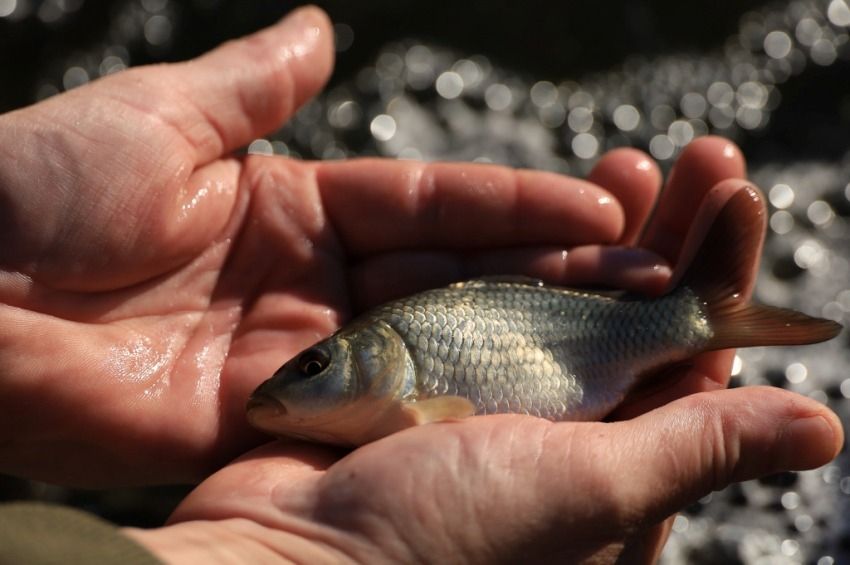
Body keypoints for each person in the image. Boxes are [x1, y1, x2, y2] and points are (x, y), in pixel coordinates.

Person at [0, 6, 842, 563]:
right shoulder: (384, 387)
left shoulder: (405, 363)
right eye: (312, 367)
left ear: (380, 356)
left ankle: (703, 317)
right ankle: (705, 317)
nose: (300, 379)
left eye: (316, 365)